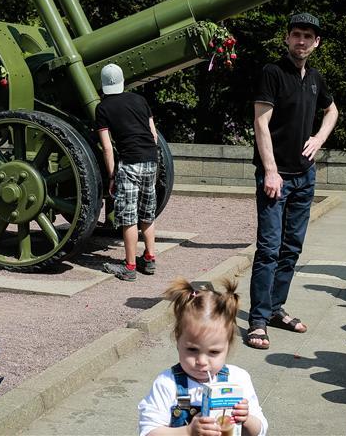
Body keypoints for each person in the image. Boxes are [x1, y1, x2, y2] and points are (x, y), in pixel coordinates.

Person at [245, 13, 338, 349]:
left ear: (316, 43)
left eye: (308, 36)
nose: (301, 41)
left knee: (291, 249)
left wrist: (319, 139)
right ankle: (258, 320)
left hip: (304, 177)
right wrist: (270, 170)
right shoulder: (272, 73)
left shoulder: (314, 77)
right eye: (296, 34)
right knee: (269, 249)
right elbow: (260, 123)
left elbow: (332, 111)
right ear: (287, 38)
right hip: (277, 176)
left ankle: (275, 309)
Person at [137, 278, 268, 436]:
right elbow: (148, 431)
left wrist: (246, 419)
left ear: (227, 346)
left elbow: (260, 430)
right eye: (192, 349)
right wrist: (187, 431)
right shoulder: (167, 383)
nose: (201, 361)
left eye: (214, 352)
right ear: (178, 341)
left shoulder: (238, 379)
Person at [96, 63, 159, 282]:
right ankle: (149, 258)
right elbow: (154, 135)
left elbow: (107, 148)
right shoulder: (140, 100)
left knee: (129, 217)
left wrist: (112, 175)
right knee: (147, 212)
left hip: (129, 164)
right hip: (151, 160)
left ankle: (130, 266)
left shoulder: (102, 108)